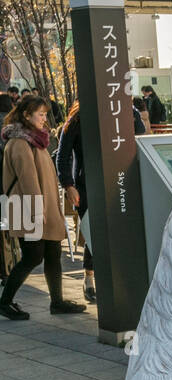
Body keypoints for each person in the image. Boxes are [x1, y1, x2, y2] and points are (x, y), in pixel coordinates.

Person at [1, 94, 85, 319]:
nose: (44, 119)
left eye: (45, 114)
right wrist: (38, 212)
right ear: (27, 115)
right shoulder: (20, 142)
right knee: (33, 256)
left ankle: (57, 302)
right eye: (41, 114)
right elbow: (28, 180)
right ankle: (5, 301)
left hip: (40, 208)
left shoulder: (35, 140)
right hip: (29, 208)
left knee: (52, 254)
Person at [56, 100, 96, 303]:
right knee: (93, 232)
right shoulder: (76, 121)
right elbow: (62, 157)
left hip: (114, 180)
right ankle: (89, 277)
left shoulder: (113, 112)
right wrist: (68, 185)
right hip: (84, 184)